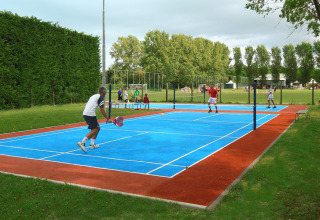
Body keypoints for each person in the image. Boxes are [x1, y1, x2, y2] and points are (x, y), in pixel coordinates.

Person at [77, 87, 112, 152]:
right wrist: (107, 119)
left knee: (98, 128)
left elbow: (88, 105)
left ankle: (92, 144)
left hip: (86, 113)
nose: (106, 93)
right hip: (90, 114)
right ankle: (82, 142)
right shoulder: (101, 97)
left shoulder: (94, 96)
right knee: (95, 130)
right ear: (103, 92)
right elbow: (101, 109)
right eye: (105, 92)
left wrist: (86, 118)